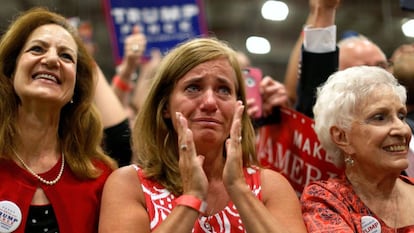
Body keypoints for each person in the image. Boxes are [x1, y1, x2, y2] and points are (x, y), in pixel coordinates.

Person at [99, 37, 306, 233]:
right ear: (165, 107)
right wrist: (192, 198)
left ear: (238, 106)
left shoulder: (271, 186)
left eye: (223, 90)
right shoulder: (129, 185)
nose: (209, 102)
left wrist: (239, 189)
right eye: (193, 88)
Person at [0, 7, 117, 233]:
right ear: (11, 72)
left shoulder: (100, 177)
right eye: (37, 49)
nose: (52, 59)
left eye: (66, 56)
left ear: (76, 88)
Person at [301, 65, 414, 232]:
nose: (403, 129)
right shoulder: (326, 200)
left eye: (401, 116)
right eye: (380, 117)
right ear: (342, 137)